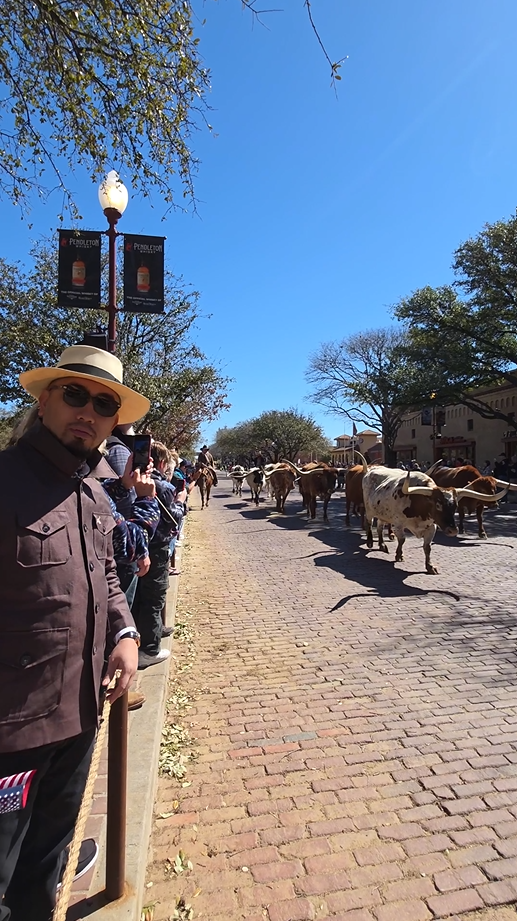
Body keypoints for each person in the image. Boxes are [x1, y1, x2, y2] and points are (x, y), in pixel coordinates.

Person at [0, 344, 150, 921]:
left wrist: (127, 632)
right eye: (75, 394)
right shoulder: (5, 481)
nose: (88, 410)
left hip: (82, 715)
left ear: (115, 422)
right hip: (13, 731)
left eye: (104, 403)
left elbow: (108, 576)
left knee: (46, 866)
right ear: (44, 401)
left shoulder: (93, 494)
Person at [132, 442, 187, 668]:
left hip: (144, 546)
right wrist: (181, 501)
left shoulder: (135, 479)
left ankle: (156, 630)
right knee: (154, 596)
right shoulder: (162, 485)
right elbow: (173, 519)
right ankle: (150, 648)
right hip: (157, 546)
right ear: (161, 462)